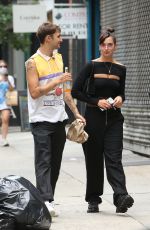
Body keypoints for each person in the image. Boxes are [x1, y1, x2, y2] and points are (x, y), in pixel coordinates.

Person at [25, 22, 85, 217]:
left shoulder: (59, 58)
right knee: (43, 161)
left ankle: (48, 200)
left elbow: (65, 92)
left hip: (59, 119)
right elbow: (34, 92)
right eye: (58, 36)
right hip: (40, 120)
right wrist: (55, 81)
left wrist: (75, 112)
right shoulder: (32, 62)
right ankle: (45, 200)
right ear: (48, 38)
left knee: (56, 163)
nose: (61, 39)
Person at [71, 28, 134, 213]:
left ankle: (121, 196)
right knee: (94, 160)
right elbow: (76, 91)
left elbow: (121, 92)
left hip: (114, 119)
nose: (107, 48)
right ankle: (93, 199)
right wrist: (96, 101)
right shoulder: (91, 66)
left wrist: (121, 99)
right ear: (99, 46)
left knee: (114, 158)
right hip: (94, 119)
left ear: (115, 46)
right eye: (104, 45)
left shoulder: (121, 68)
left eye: (110, 45)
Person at [0, 59, 15, 147]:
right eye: (1, 66)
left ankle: (4, 139)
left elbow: (12, 89)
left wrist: (6, 79)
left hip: (6, 101)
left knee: (5, 119)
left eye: (4, 66)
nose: (3, 68)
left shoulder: (9, 78)